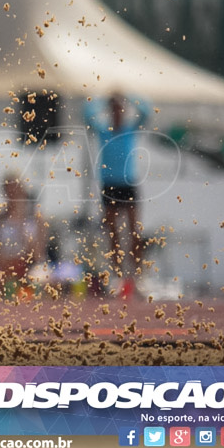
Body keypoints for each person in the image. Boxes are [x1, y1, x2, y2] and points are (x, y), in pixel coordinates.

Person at [83, 91, 152, 299]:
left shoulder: (130, 130)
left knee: (134, 232)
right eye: (113, 110)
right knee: (112, 233)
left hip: (128, 184)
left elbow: (146, 111)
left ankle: (137, 276)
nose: (117, 113)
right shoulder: (104, 131)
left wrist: (128, 97)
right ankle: (118, 275)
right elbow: (86, 114)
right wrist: (104, 100)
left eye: (119, 109)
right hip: (110, 185)